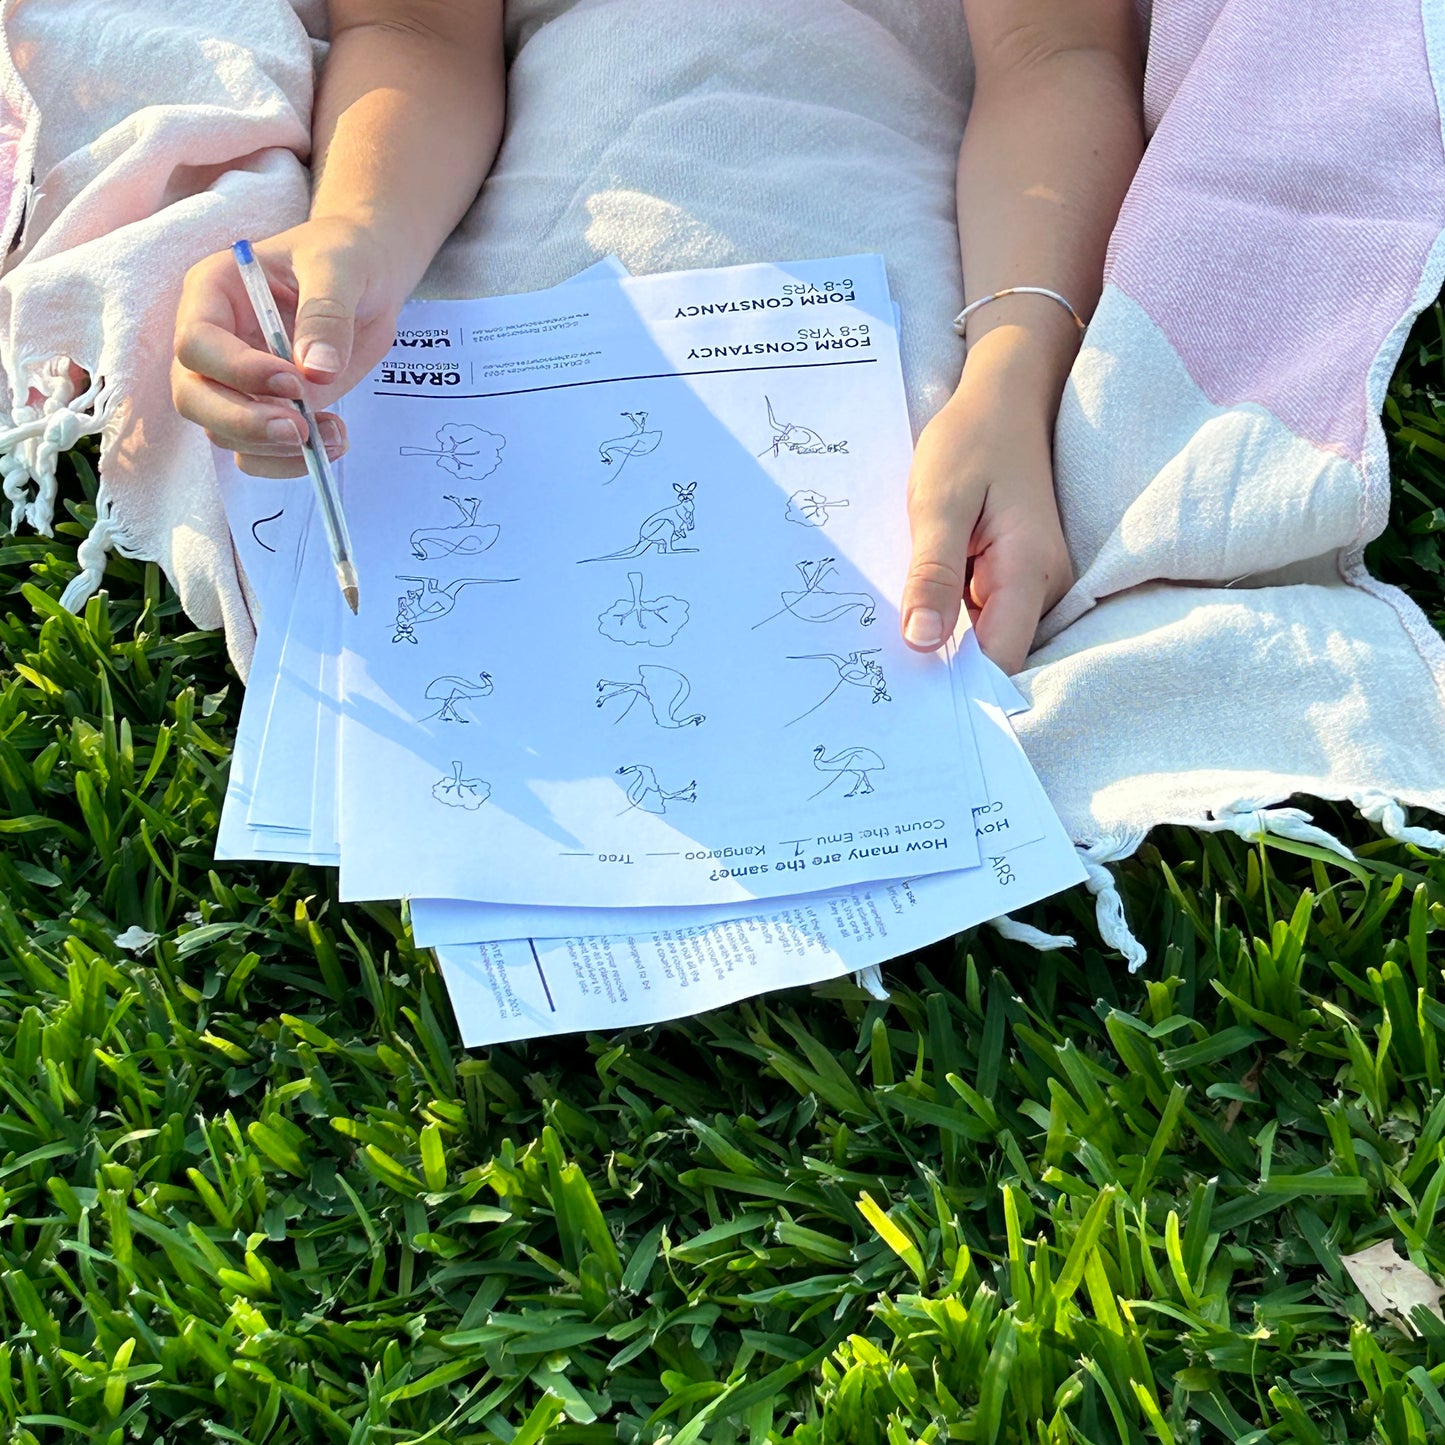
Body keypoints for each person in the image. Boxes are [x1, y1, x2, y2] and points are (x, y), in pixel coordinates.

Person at [171, 0, 1143, 674]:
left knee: (926, 495)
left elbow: (1051, 53)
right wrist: (359, 228)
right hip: (560, 103)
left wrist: (1011, 373)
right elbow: (416, 28)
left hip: (924, 108)